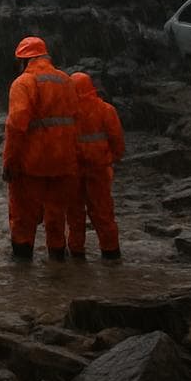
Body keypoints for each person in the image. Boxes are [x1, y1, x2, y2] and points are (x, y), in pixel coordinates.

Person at [2, 36, 80, 261]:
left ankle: (23, 271)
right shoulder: (65, 81)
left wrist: (9, 163)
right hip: (62, 162)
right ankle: (57, 266)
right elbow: (76, 120)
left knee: (23, 219)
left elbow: (16, 127)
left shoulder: (24, 83)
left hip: (32, 164)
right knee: (56, 217)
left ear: (24, 60)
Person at [67, 71, 125, 261]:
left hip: (74, 169)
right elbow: (117, 139)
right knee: (103, 213)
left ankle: (77, 254)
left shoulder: (67, 112)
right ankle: (111, 253)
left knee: (75, 215)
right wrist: (112, 158)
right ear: (91, 87)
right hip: (99, 167)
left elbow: (60, 140)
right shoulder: (106, 110)